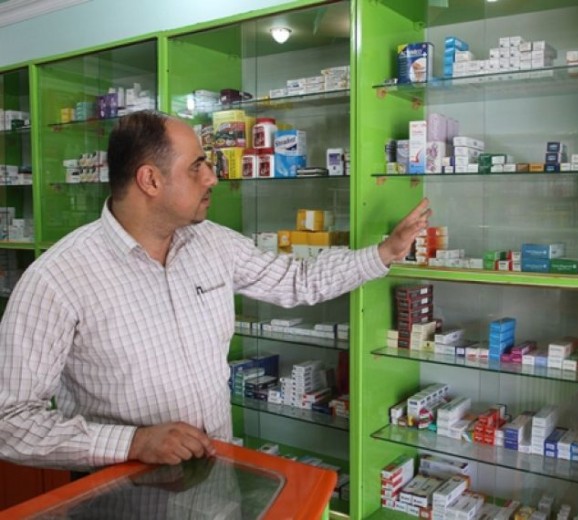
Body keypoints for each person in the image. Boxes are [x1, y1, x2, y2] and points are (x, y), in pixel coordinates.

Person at [0, 110, 431, 471]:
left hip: (217, 476)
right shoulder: (58, 279)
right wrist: (132, 442)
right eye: (197, 167)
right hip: (121, 496)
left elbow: (296, 280)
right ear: (150, 180)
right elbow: (10, 422)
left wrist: (385, 252)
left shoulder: (212, 243)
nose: (212, 178)